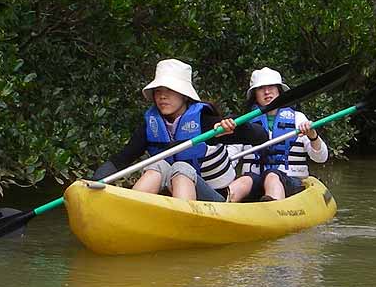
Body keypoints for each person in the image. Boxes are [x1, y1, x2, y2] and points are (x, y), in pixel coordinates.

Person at [92, 59, 268, 202]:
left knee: (181, 167)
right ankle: (131, 213)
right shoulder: (150, 127)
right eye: (158, 91)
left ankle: (183, 223)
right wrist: (91, 183)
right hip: (171, 193)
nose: (162, 96)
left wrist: (236, 126)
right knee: (157, 165)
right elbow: (120, 160)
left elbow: (261, 137)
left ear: (184, 95)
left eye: (170, 90)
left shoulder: (205, 122)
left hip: (213, 200)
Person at [226, 67, 329, 202]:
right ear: (255, 94)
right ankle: (223, 203)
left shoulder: (298, 119)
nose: (267, 92)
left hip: (290, 182)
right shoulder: (244, 123)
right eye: (261, 88)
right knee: (244, 180)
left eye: (271, 87)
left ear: (279, 90)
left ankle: (273, 206)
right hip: (255, 183)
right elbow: (230, 157)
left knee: (272, 176)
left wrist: (312, 135)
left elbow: (321, 158)